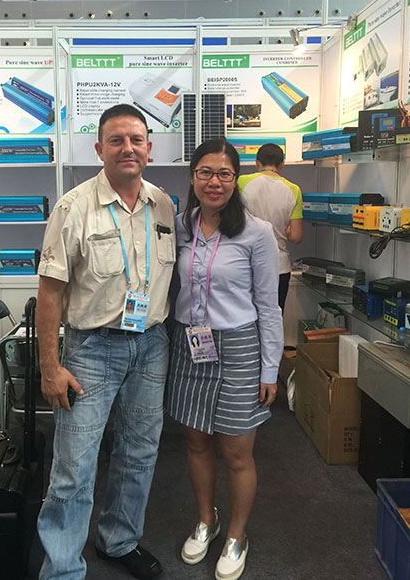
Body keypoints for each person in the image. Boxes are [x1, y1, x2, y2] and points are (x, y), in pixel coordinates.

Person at [36, 103, 176, 580]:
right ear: (99, 149)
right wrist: (50, 366)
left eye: (136, 140)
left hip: (151, 345)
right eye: (116, 140)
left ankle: (118, 540)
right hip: (91, 350)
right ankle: (62, 569)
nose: (127, 148)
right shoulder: (73, 207)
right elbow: (50, 293)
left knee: (139, 452)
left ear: (149, 148)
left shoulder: (164, 205)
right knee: (74, 466)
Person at [166, 138, 283, 580]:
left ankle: (236, 534)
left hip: (238, 347)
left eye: (224, 174)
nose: (214, 182)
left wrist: (270, 368)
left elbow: (268, 306)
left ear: (236, 179)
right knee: (196, 441)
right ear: (193, 177)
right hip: (190, 343)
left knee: (236, 451)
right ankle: (207, 520)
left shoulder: (256, 232)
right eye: (205, 172)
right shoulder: (182, 225)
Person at [237, 143, 303, 313]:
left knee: (246, 319)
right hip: (279, 266)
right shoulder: (294, 190)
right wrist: (284, 230)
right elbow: (296, 236)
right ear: (282, 164)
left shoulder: (241, 182)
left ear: (257, 163)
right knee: (274, 317)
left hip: (247, 264)